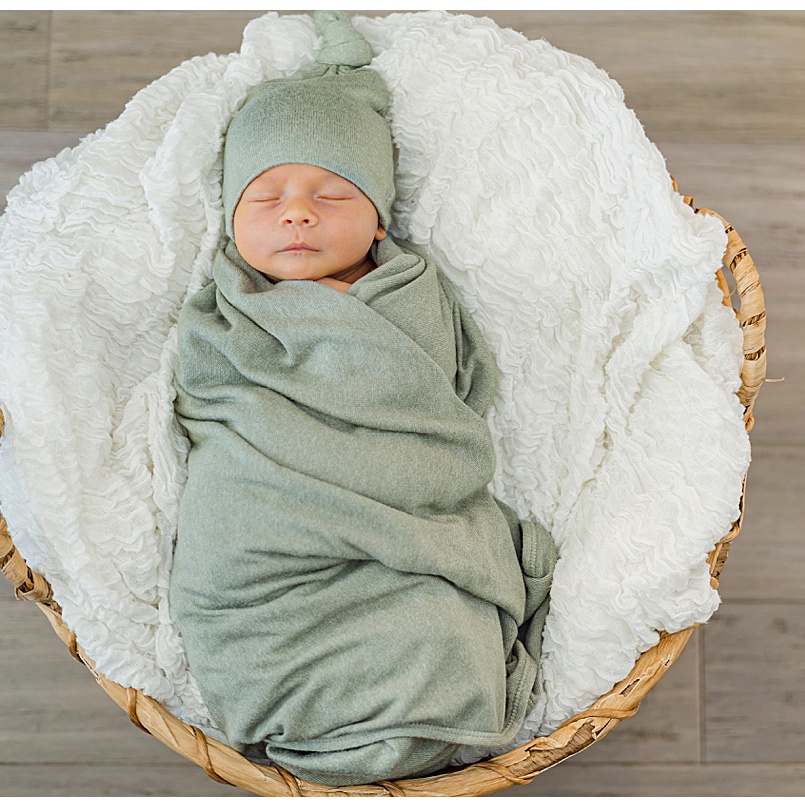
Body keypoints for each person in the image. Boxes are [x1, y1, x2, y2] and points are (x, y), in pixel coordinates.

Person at [170, 10, 556, 787]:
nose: (298, 211)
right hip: (264, 532)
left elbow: (450, 399)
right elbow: (211, 400)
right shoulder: (226, 311)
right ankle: (291, 680)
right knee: (235, 554)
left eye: (333, 193)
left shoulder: (410, 291)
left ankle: (419, 694)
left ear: (379, 218)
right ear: (230, 225)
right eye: (265, 195)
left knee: (436, 627)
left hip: (395, 520)